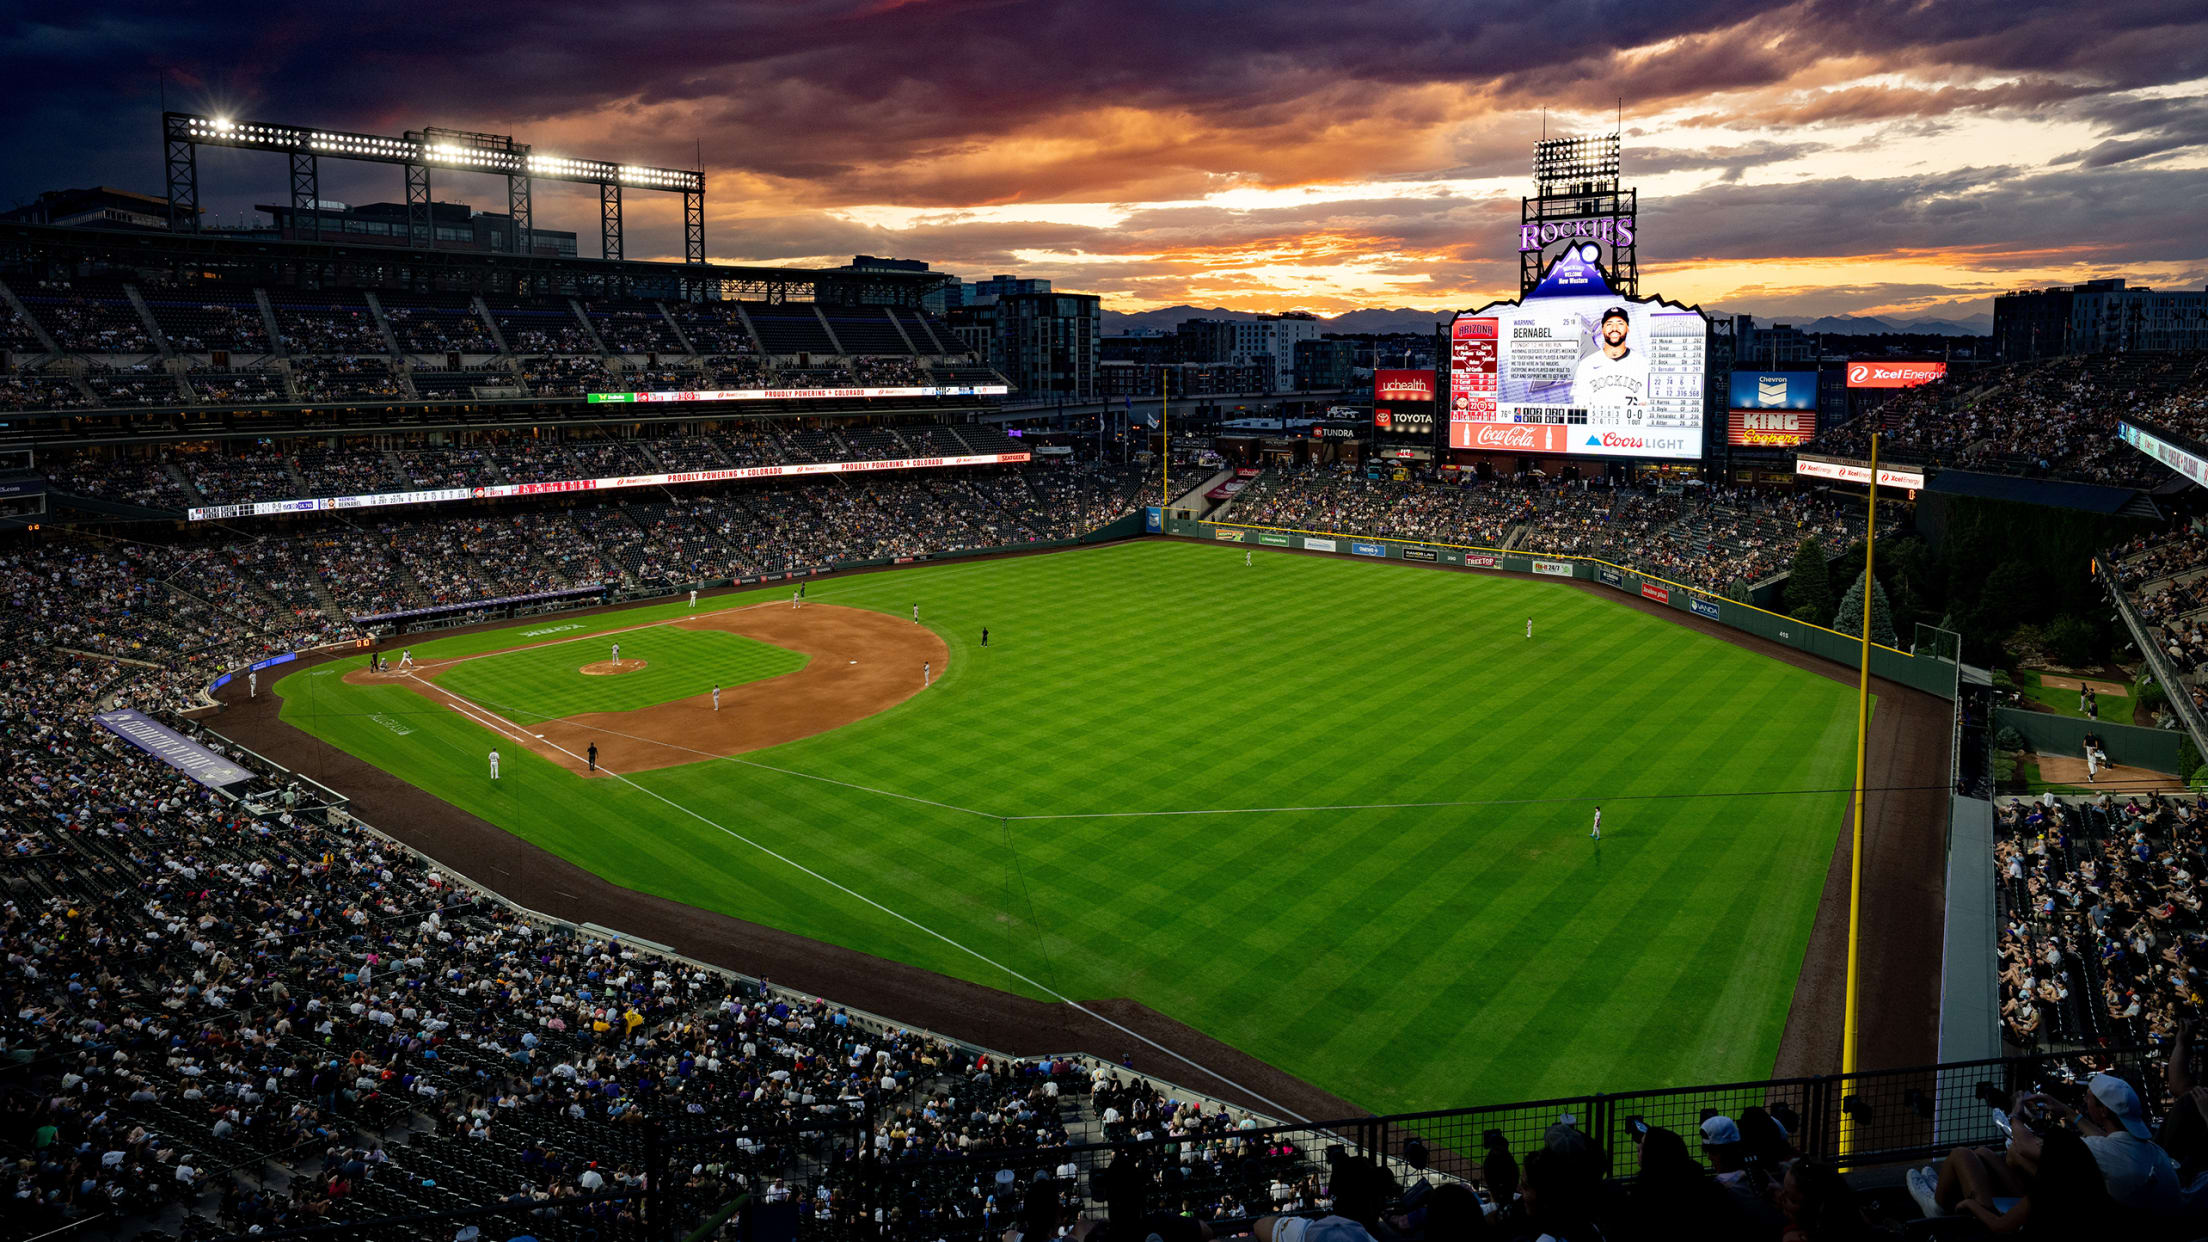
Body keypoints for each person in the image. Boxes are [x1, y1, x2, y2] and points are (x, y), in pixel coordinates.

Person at [1569, 306, 1651, 411]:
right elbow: (1579, 405)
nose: (1614, 328)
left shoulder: (1642, 364)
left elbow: (1647, 404)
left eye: (1620, 323)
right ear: (1602, 329)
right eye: (1609, 324)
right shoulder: (1587, 365)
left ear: (1627, 328)